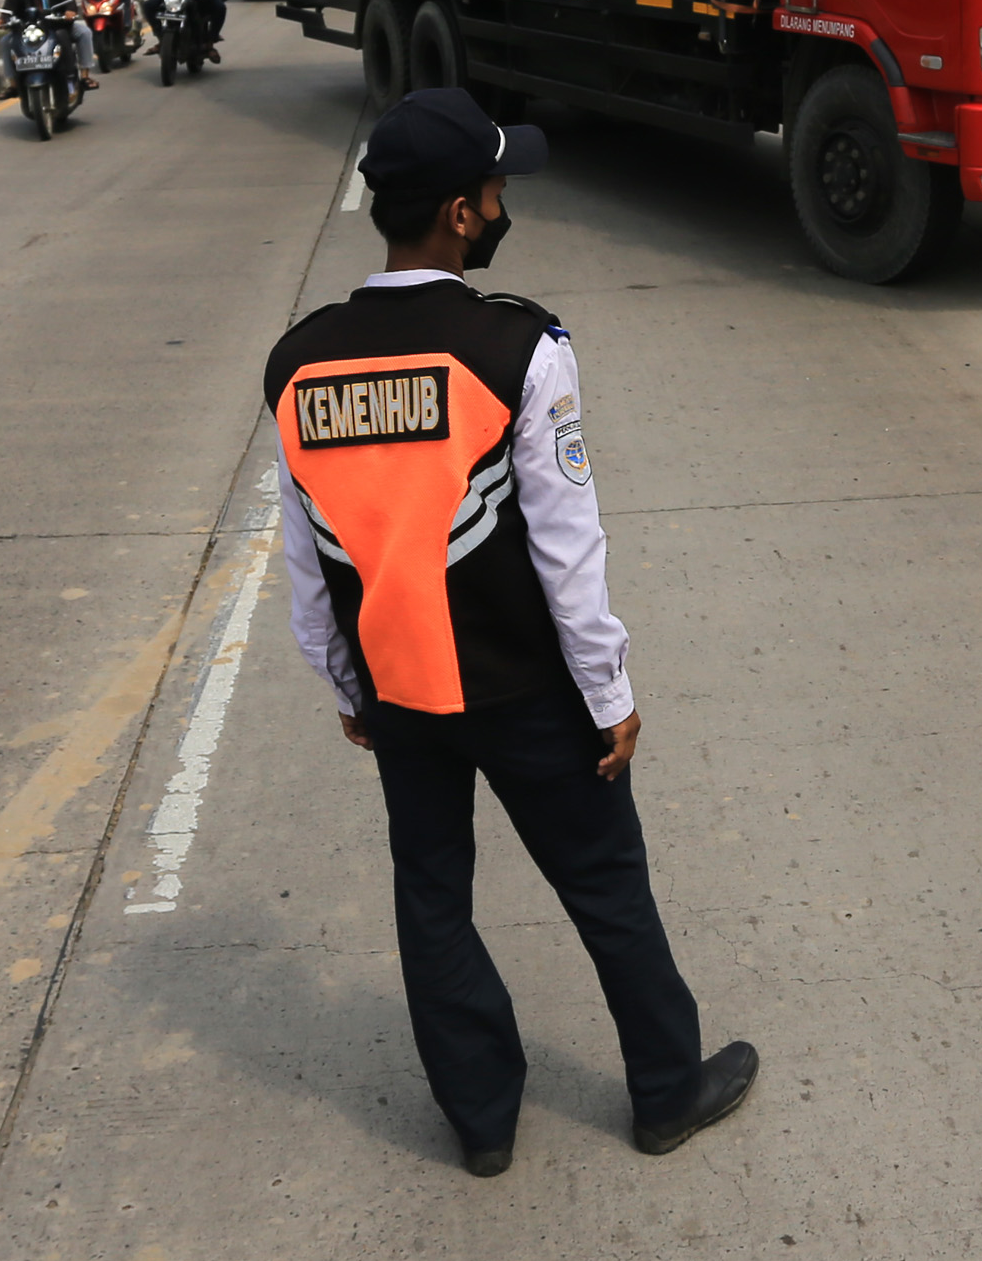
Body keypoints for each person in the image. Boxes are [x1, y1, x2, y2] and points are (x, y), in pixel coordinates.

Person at [266, 88, 757, 1177]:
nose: (501, 207)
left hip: (400, 694)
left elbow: (306, 557)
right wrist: (610, 691)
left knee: (432, 898)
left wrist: (345, 684)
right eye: (493, 190)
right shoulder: (517, 348)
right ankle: (666, 1092)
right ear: (457, 214)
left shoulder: (299, 361)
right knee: (606, 885)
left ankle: (482, 1122)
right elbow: (566, 548)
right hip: (528, 689)